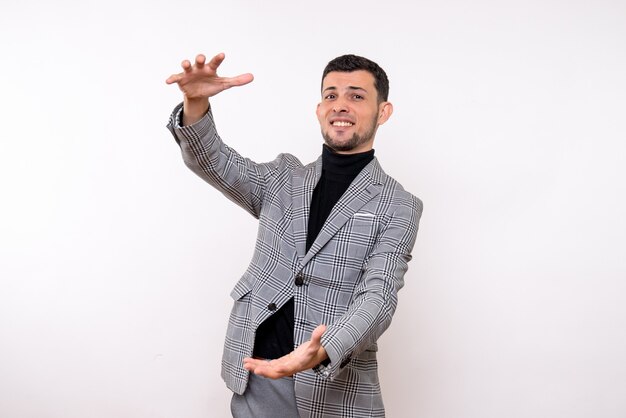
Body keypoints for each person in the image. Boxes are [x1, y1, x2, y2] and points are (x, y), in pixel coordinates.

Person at [165, 52, 422, 418]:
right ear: (319, 109)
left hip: (334, 389)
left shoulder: (399, 204)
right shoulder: (282, 178)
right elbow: (214, 161)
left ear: (383, 111)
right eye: (331, 95)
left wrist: (323, 349)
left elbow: (378, 297)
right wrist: (195, 104)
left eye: (357, 96)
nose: (341, 105)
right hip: (257, 381)